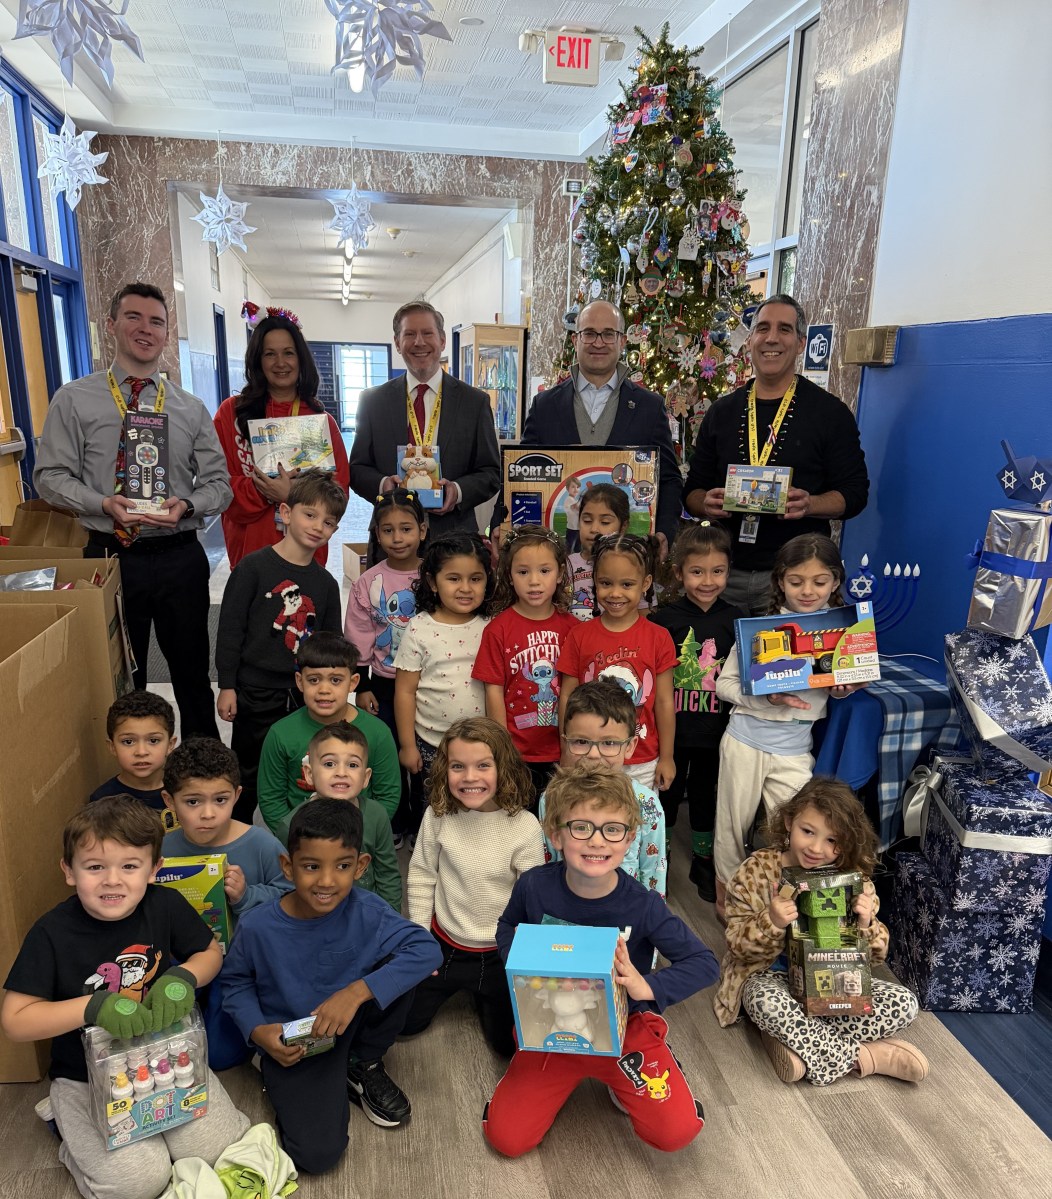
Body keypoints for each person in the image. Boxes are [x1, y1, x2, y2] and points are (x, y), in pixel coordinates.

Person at [1, 797, 248, 1199]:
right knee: (138, 1182)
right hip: (84, 1077)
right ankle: (66, 1128)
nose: (112, 880)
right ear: (69, 871)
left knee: (214, 1151)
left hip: (168, 1058)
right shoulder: (51, 933)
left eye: (129, 866)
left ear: (154, 870)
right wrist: (91, 1006)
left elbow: (210, 952)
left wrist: (183, 978)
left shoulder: (164, 904)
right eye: (95, 866)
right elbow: (14, 1020)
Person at [482, 763, 717, 1158]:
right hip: (553, 1027)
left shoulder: (642, 905)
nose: (597, 841)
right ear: (555, 834)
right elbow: (506, 926)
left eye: (612, 829)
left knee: (676, 1133)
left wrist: (649, 986)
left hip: (625, 1030)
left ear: (629, 840)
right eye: (581, 827)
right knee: (507, 1140)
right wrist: (522, 959)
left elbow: (704, 962)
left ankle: (661, 1068)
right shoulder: (533, 886)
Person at [33, 282, 231, 739]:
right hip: (109, 555)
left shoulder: (190, 408)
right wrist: (102, 503)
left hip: (180, 554)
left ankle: (203, 773)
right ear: (111, 326)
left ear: (166, 333)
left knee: (191, 674)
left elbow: (220, 485)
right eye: (133, 318)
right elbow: (50, 477)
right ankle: (132, 780)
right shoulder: (75, 399)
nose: (146, 329)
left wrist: (187, 506)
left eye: (156, 321)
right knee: (122, 676)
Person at [222, 800, 442, 1173]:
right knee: (317, 1156)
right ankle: (283, 1069)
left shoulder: (367, 909)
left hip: (351, 1023)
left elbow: (426, 950)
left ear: (360, 867)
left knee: (407, 965)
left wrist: (355, 993)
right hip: (296, 1038)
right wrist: (259, 1033)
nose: (326, 881)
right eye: (311, 866)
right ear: (288, 867)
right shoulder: (257, 926)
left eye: (342, 866)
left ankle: (362, 1062)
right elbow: (235, 983)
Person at [714, 778, 929, 1087]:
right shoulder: (757, 870)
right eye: (808, 832)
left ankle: (798, 1042)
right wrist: (771, 921)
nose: (817, 848)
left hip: (834, 985)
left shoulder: (854, 880)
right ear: (789, 821)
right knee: (766, 1004)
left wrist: (867, 924)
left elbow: (877, 958)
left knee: (905, 1004)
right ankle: (866, 1058)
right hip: (769, 979)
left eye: (833, 840)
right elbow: (737, 946)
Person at [683, 294, 869, 614]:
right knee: (718, 661)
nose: (771, 338)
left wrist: (810, 503)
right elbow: (693, 491)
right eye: (762, 328)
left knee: (786, 664)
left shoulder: (830, 413)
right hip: (725, 576)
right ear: (750, 339)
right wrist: (707, 504)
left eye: (784, 329)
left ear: (800, 343)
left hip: (797, 582)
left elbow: (854, 495)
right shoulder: (722, 412)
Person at [712, 533, 859, 913]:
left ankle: (784, 899)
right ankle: (726, 895)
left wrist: (845, 687)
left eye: (819, 581)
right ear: (780, 581)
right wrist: (763, 694)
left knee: (797, 827)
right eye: (796, 581)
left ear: (836, 582)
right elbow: (724, 685)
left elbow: (833, 691)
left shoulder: (842, 634)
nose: (807, 591)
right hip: (745, 739)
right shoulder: (759, 630)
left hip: (794, 749)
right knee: (732, 825)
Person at [403, 718, 544, 1055]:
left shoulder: (524, 827)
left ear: (504, 767)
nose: (469, 777)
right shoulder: (437, 815)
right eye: (458, 766)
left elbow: (532, 902)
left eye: (483, 765)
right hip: (443, 947)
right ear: (444, 770)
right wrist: (420, 939)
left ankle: (487, 995)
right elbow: (422, 875)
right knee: (402, 1026)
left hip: (499, 955)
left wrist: (525, 962)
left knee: (507, 1047)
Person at [216, 469, 346, 822]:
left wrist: (333, 692)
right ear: (286, 513)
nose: (319, 526)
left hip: (305, 694)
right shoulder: (252, 568)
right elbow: (229, 630)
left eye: (329, 522)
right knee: (248, 770)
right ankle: (236, 830)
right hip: (254, 690)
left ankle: (297, 835)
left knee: (302, 769)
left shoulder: (326, 584)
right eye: (310, 515)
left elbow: (332, 645)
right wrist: (227, 685)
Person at [519, 300, 682, 552]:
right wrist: (502, 521)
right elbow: (522, 472)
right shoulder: (545, 405)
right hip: (557, 558)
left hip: (625, 557)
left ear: (622, 342)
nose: (598, 342)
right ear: (575, 340)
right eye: (589, 333)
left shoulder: (650, 407)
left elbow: (669, 478)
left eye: (608, 334)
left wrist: (663, 531)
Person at [349, 301, 501, 541]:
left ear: (442, 340)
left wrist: (457, 491)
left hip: (454, 539)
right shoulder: (373, 401)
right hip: (391, 537)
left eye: (427, 333)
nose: (419, 342)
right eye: (409, 334)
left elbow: (491, 472)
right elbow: (357, 469)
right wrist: (384, 486)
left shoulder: (474, 402)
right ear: (397, 343)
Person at [647, 522, 743, 902]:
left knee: (706, 796)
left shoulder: (737, 619)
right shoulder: (662, 620)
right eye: (697, 571)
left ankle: (703, 859)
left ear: (728, 572)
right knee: (667, 795)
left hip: (716, 732)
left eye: (717, 571)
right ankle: (662, 855)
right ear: (679, 572)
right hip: (672, 732)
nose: (708, 581)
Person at [212, 308, 350, 569]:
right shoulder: (232, 414)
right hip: (250, 556)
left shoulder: (321, 421)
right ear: (257, 360)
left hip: (307, 558)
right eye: (269, 354)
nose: (280, 363)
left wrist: (294, 495)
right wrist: (268, 493)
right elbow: (220, 487)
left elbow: (339, 493)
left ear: (301, 359)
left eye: (289, 353)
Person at [393, 533, 493, 845]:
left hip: (482, 744)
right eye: (453, 578)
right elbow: (405, 692)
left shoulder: (493, 625)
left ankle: (470, 856)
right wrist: (408, 745)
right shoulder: (419, 627)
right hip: (431, 743)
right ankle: (431, 856)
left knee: (477, 803)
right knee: (434, 809)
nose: (466, 588)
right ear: (433, 583)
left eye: (475, 578)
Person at [558, 533, 677, 793]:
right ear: (594, 581)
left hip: (642, 761)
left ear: (645, 583)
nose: (615, 593)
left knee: (637, 827)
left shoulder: (659, 637)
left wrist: (666, 757)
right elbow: (567, 697)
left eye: (626, 584)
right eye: (605, 583)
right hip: (588, 758)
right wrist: (567, 752)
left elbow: (665, 702)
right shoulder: (579, 636)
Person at [256, 632, 400, 832]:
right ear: (299, 681)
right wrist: (297, 837)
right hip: (300, 840)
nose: (324, 690)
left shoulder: (378, 733)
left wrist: (361, 836)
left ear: (353, 682)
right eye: (314, 680)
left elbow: (388, 795)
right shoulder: (280, 734)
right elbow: (271, 799)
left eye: (335, 680)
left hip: (359, 837)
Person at [472, 525, 577, 799]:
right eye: (523, 572)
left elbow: (575, 691)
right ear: (509, 576)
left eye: (544, 571)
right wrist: (502, 747)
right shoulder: (498, 629)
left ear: (560, 574)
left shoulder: (573, 629)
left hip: (563, 749)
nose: (534, 581)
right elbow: (493, 690)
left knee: (558, 818)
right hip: (517, 751)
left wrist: (572, 746)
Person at [344, 488, 427, 827]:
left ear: (423, 530)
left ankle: (424, 821)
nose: (397, 538)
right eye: (388, 530)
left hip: (430, 684)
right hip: (385, 685)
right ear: (377, 533)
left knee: (423, 756)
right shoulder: (368, 582)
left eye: (406, 529)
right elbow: (358, 637)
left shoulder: (435, 575)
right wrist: (362, 686)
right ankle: (394, 821)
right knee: (388, 755)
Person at [539, 680, 666, 897]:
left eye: (609, 743)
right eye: (581, 741)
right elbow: (548, 862)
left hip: (627, 918)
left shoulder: (647, 803)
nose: (594, 754)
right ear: (565, 741)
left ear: (630, 746)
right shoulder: (551, 798)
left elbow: (653, 871)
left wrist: (650, 923)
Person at [274, 722, 402, 913]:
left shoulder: (376, 815)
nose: (341, 773)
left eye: (352, 765)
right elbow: (285, 885)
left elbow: (387, 874)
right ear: (309, 774)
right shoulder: (290, 825)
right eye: (329, 764)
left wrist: (390, 921)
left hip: (366, 914)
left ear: (366, 778)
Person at [161, 739, 291, 917]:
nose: (208, 813)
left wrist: (246, 895)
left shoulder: (263, 846)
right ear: (170, 801)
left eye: (220, 800)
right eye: (193, 802)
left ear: (236, 796)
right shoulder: (161, 850)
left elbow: (293, 897)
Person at [89, 690, 177, 810]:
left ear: (170, 744)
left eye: (153, 740)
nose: (141, 752)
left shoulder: (186, 791)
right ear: (112, 747)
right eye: (128, 742)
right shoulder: (102, 802)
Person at [566, 482, 630, 621]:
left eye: (605, 522)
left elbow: (643, 616)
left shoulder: (633, 566)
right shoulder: (566, 565)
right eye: (587, 520)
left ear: (623, 526)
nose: (594, 529)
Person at [563, 475, 582, 553]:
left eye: (577, 487)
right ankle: (567, 560)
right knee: (569, 547)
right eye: (573, 487)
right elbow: (578, 507)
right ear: (568, 489)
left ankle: (576, 561)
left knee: (578, 547)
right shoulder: (569, 500)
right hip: (572, 529)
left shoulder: (574, 500)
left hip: (578, 528)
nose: (576, 489)